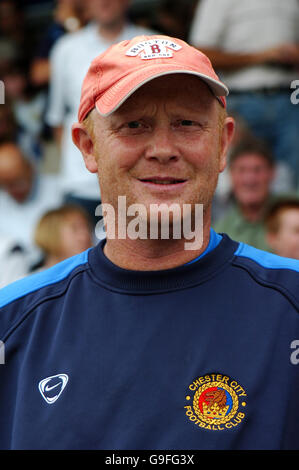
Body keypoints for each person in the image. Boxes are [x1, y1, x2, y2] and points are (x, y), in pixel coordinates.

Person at [0, 34, 299, 451]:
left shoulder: (291, 303)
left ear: (223, 143)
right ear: (88, 147)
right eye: (134, 125)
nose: (162, 149)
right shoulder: (12, 322)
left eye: (187, 123)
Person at [45, 0, 156, 225]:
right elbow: (57, 118)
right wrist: (82, 161)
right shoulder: (65, 49)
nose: (104, 2)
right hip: (79, 183)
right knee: (77, 255)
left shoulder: (153, 44)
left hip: (138, 179)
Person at [188, 0, 299, 189]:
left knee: (293, 182)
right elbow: (200, 54)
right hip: (240, 100)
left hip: (289, 98)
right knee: (240, 180)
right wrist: (260, 57)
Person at [0, 141, 63, 266]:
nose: (14, 190)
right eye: (6, 185)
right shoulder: (2, 202)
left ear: (31, 168)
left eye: (18, 182)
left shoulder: (59, 192)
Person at [214, 139, 276, 251]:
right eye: (242, 170)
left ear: (272, 173)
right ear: (231, 175)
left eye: (257, 170)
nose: (250, 179)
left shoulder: (293, 216)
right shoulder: (219, 234)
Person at [32, 204, 93, 272]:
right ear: (52, 234)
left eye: (87, 228)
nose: (85, 235)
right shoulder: (31, 281)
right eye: (75, 229)